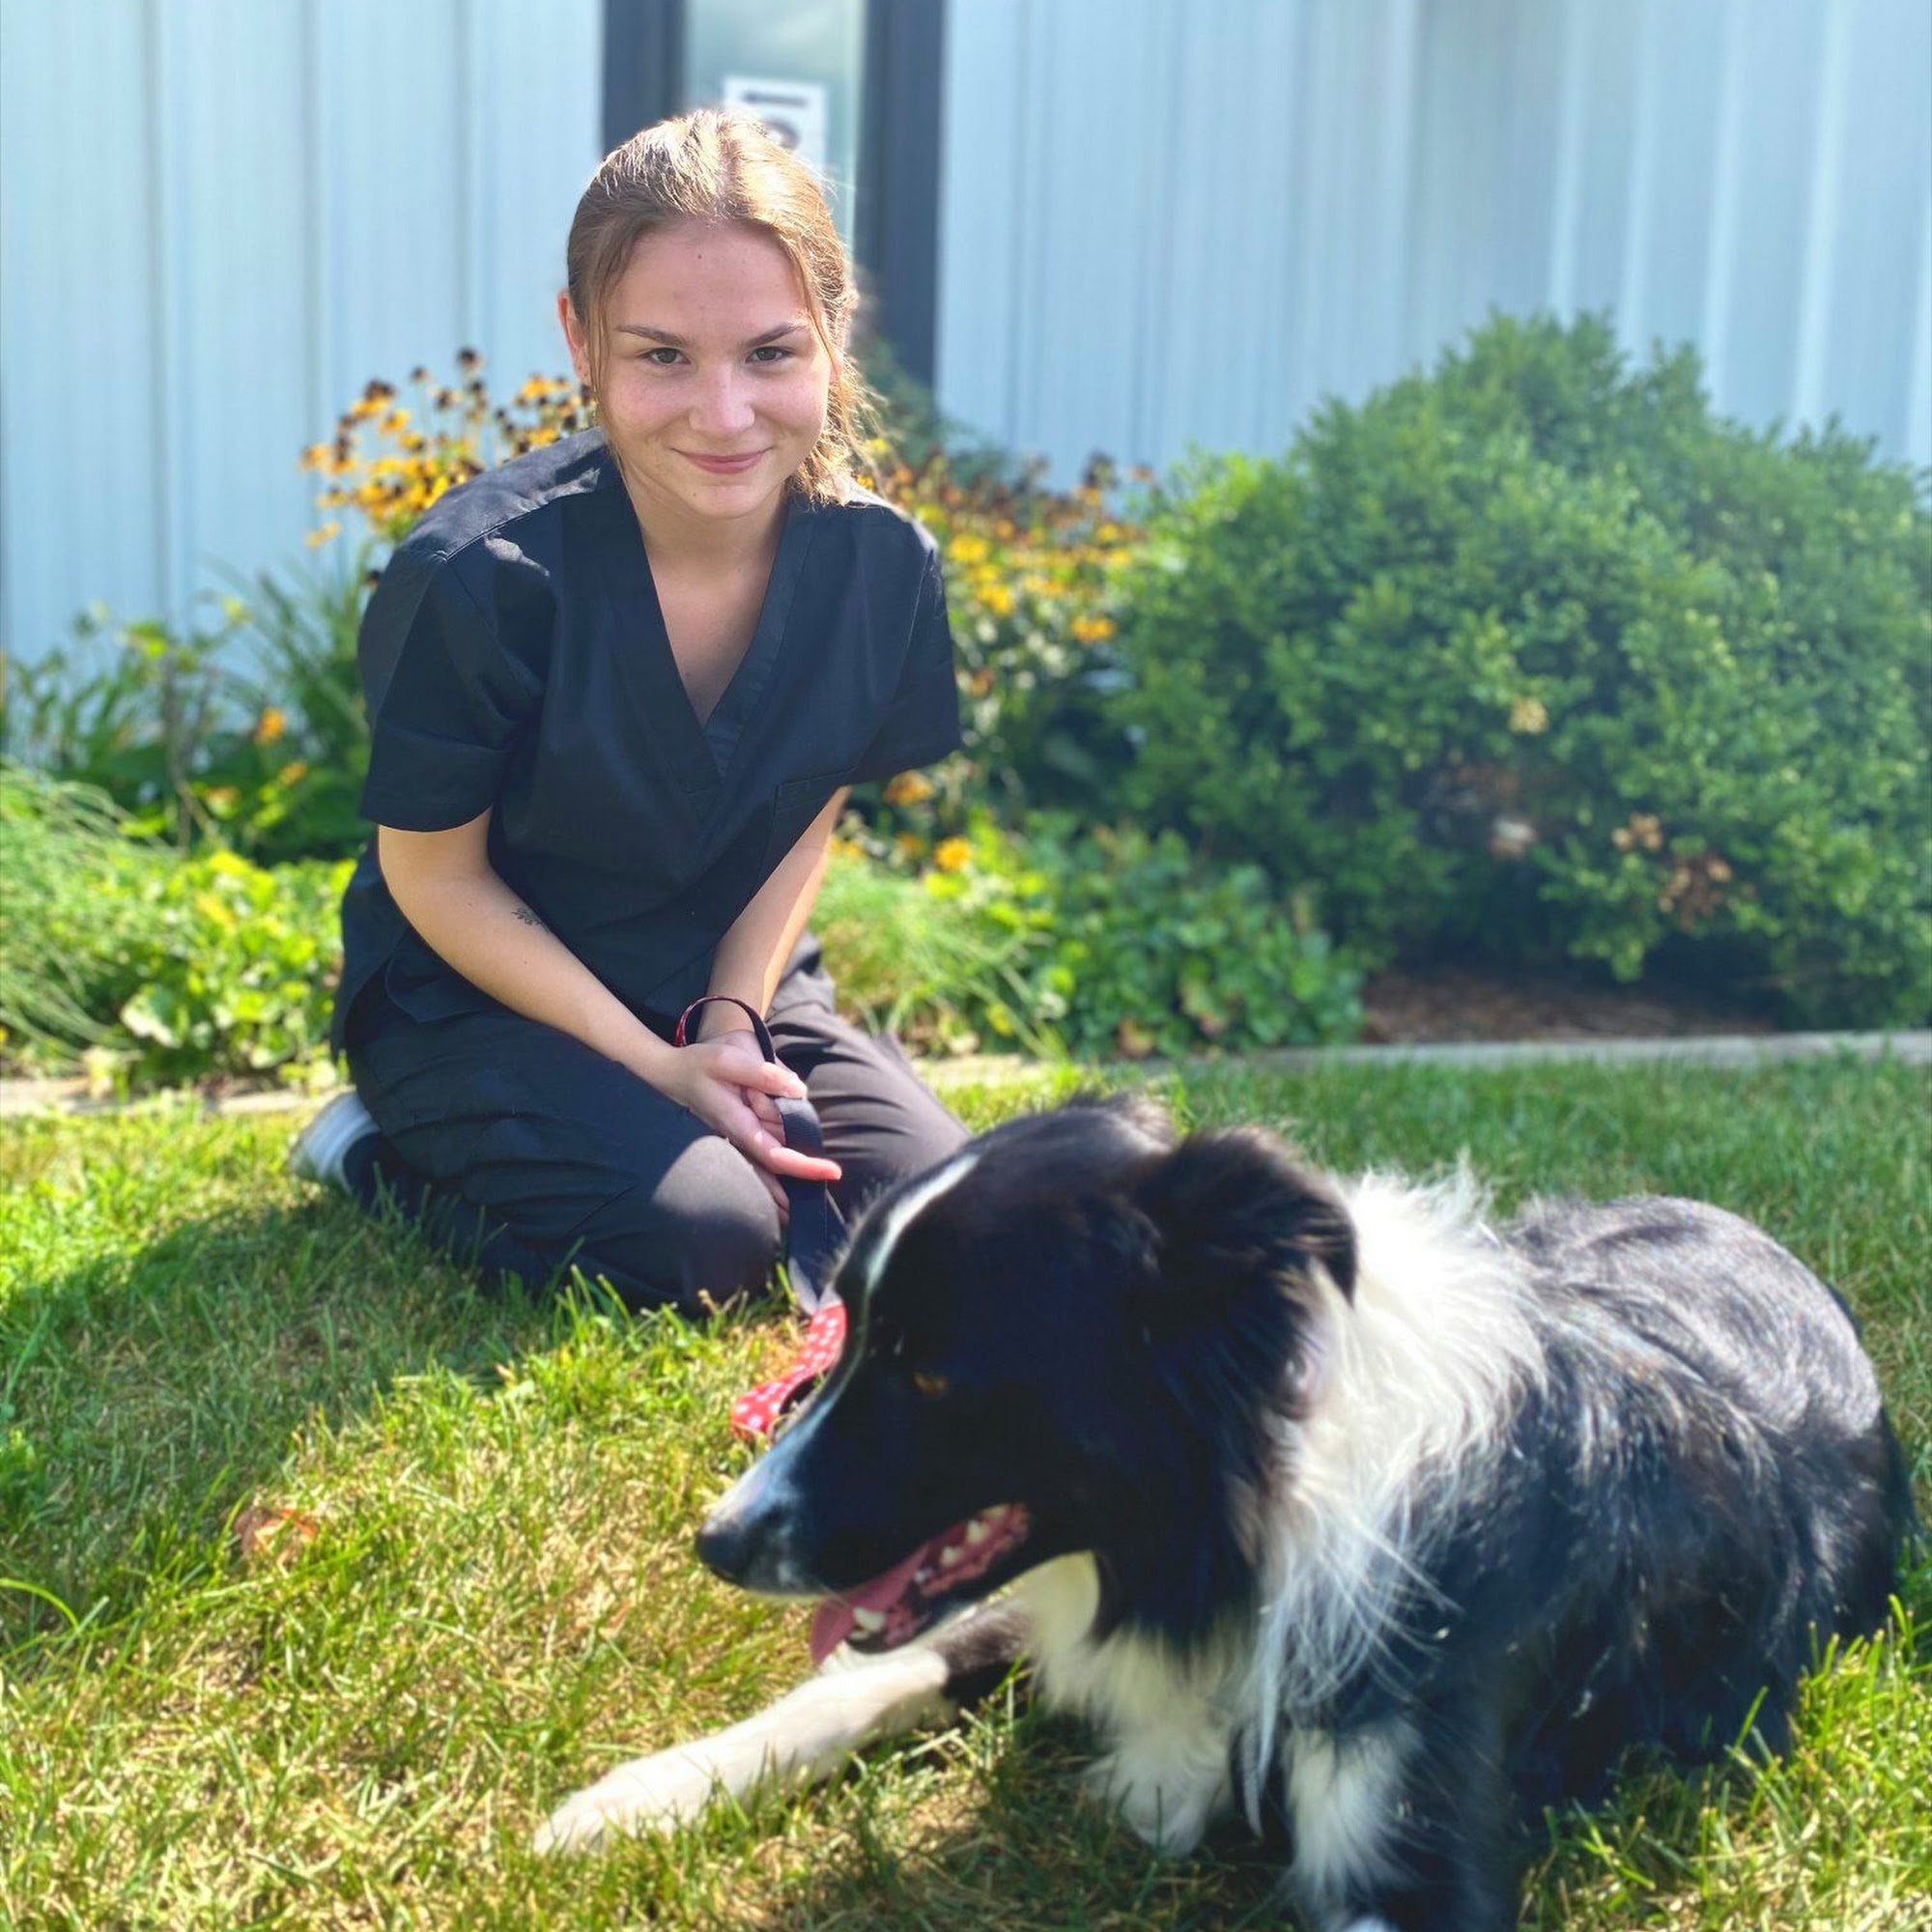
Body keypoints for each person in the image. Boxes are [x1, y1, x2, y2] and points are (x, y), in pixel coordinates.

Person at [290, 108, 968, 1314]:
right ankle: (370, 1152)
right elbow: (434, 880)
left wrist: (732, 1015)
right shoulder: (479, 577)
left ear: (833, 328)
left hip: (717, 969)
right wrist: (654, 1063)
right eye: (662, 355)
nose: (723, 414)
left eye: (769, 352)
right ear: (581, 338)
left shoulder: (879, 567)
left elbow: (809, 803)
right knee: (708, 1241)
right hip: (478, 990)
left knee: (931, 1213)